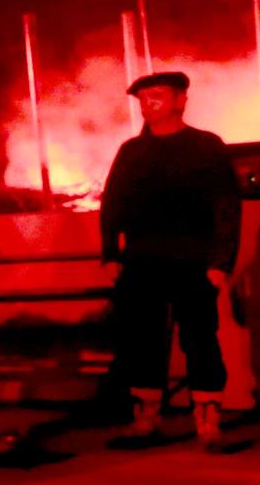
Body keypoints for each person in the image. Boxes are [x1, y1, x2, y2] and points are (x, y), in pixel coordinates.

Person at [102, 71, 242, 453]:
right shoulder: (131, 152)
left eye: (158, 96)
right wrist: (111, 253)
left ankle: (208, 420)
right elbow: (112, 202)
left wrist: (221, 262)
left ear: (181, 100)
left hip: (193, 259)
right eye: (144, 99)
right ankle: (146, 418)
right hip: (143, 259)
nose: (149, 104)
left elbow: (226, 207)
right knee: (143, 339)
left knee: (200, 337)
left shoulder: (206, 147)